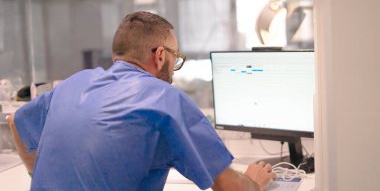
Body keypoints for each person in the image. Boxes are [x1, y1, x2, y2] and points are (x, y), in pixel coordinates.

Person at [8, 11, 276, 191]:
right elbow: (229, 187)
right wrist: (253, 180)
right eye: (175, 58)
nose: (174, 65)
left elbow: (16, 122)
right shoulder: (165, 99)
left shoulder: (75, 82)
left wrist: (37, 174)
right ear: (160, 55)